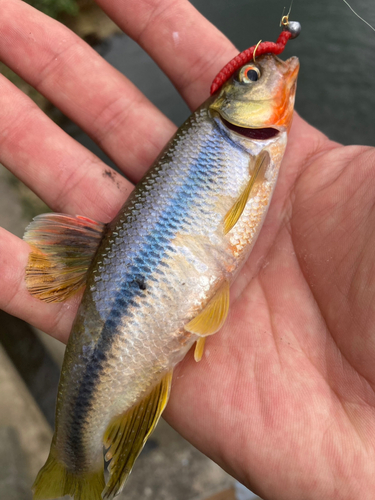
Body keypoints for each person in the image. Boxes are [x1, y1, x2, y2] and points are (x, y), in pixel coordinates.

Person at [0, 1, 374, 499]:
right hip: (130, 313)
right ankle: (75, 459)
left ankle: (77, 462)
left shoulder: (252, 143)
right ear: (230, 106)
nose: (273, 74)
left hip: (133, 306)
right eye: (252, 76)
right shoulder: (246, 144)